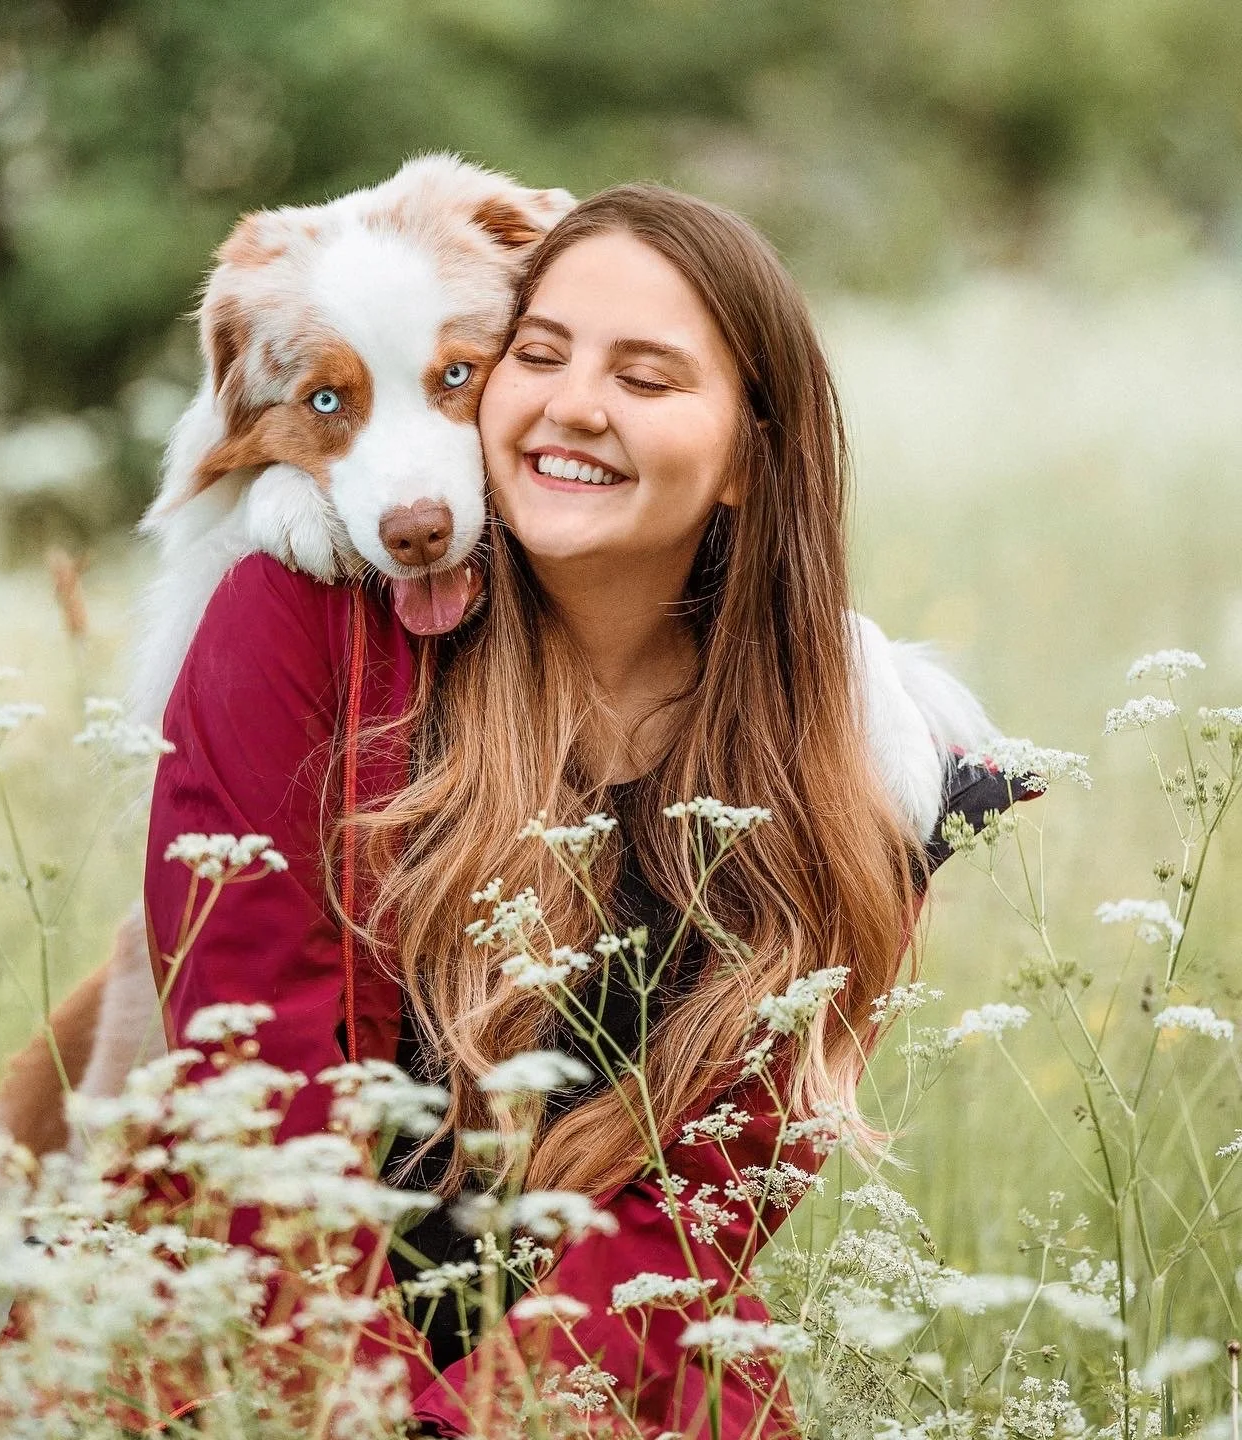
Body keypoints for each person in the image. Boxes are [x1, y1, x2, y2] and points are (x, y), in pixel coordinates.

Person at [142, 183, 1026, 1438]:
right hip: (260, 1346)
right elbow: (257, 1079)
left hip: (602, 1375)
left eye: (649, 378)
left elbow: (698, 1210)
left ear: (749, 457)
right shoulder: (302, 627)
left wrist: (483, 1423)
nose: (571, 404)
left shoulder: (860, 755)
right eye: (538, 354)